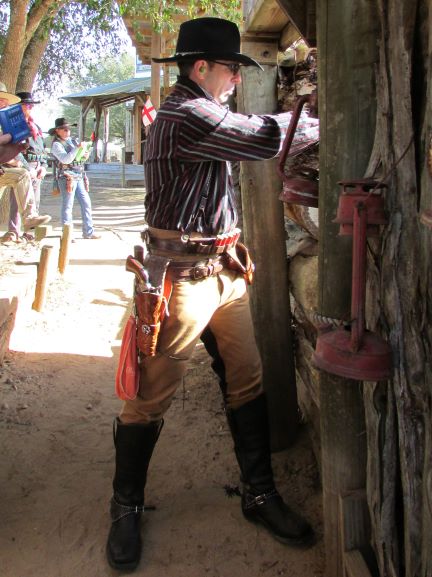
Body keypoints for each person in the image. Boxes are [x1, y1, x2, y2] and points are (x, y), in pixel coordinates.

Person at [106, 17, 319, 572]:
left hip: (223, 271)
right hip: (180, 279)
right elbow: (264, 137)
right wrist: (319, 117)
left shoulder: (197, 112)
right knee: (149, 397)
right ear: (201, 68)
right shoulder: (187, 114)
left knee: (247, 380)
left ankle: (259, 493)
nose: (236, 79)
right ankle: (125, 506)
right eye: (231, 69)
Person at [0, 85, 51, 242]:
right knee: (18, 191)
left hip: (16, 168)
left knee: (23, 181)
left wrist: (42, 166)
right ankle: (14, 230)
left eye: (5, 101)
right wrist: (23, 164)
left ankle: (29, 222)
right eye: (27, 105)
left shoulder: (32, 128)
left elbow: (40, 150)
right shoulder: (11, 126)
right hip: (20, 165)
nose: (3, 104)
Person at [49, 117, 100, 239]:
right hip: (66, 177)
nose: (67, 131)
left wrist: (84, 154)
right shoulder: (56, 145)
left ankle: (88, 232)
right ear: (57, 131)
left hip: (78, 175)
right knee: (68, 205)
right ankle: (67, 234)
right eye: (64, 129)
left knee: (86, 203)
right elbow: (66, 159)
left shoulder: (73, 141)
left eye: (68, 129)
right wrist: (78, 148)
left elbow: (78, 159)